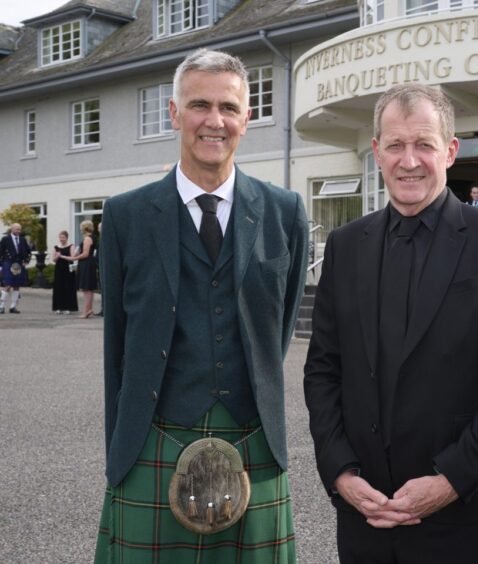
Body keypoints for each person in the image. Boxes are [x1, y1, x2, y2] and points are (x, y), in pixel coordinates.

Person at [304, 83, 478, 564]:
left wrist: (451, 479)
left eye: (424, 145)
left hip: (465, 516)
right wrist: (341, 473)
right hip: (366, 516)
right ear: (376, 152)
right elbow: (323, 371)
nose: (408, 160)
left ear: (450, 151)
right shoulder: (347, 246)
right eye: (394, 145)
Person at [93, 48, 308, 563]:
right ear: (174, 113)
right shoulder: (125, 216)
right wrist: (120, 451)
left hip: (253, 434)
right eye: (199, 106)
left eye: (229, 108)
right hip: (154, 436)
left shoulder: (285, 212)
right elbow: (116, 346)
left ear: (246, 118)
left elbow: (277, 330)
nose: (215, 121)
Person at [61, 220, 97, 318]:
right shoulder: (92, 237)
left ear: (84, 228)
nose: (80, 229)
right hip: (89, 264)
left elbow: (85, 254)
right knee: (89, 288)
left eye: (81, 227)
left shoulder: (87, 239)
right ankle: (89, 309)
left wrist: (73, 258)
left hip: (86, 264)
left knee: (86, 288)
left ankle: (86, 311)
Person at [0, 223, 32, 314]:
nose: (18, 231)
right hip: (8, 263)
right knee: (7, 285)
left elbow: (28, 252)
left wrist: (26, 261)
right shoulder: (5, 239)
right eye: (17, 229)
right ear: (12, 229)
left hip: (19, 264)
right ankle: (1, 306)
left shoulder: (22, 240)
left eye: (19, 229)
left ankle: (13, 307)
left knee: (17, 285)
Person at [51, 230, 78, 314]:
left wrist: (62, 256)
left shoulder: (71, 246)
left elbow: (72, 257)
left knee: (68, 287)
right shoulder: (56, 247)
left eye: (63, 238)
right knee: (59, 287)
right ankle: (58, 307)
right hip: (59, 269)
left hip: (68, 269)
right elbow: (54, 260)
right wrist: (57, 257)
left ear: (67, 238)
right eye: (60, 237)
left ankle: (68, 307)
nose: (61, 239)